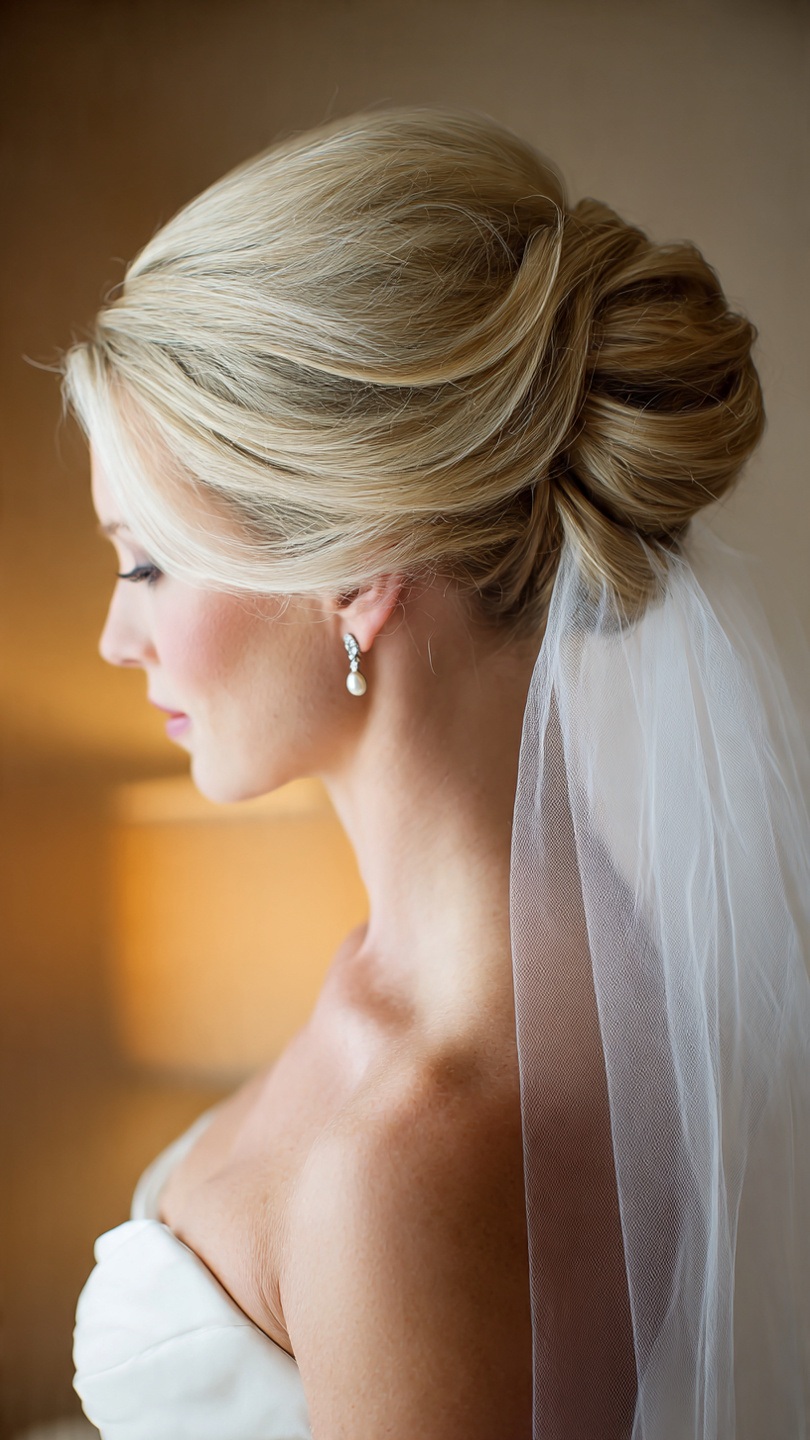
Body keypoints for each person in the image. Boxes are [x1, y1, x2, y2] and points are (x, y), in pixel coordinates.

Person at [65, 109, 809, 1440]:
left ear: (357, 575)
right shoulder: (561, 966)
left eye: (146, 559)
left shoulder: (422, 1156)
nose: (117, 636)